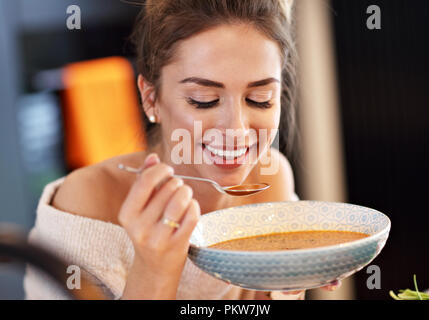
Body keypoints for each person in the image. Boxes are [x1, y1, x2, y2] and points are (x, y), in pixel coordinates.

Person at [24, 0, 341, 300]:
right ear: (151, 98)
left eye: (260, 99)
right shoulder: (86, 203)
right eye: (203, 99)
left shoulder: (272, 182)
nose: (236, 130)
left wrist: (288, 284)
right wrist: (153, 269)